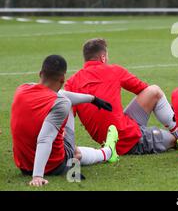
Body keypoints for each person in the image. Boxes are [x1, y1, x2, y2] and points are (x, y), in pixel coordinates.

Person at [10, 55, 119, 187]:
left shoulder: (22, 89)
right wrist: (37, 176)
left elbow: (59, 94)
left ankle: (102, 152)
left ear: (40, 73)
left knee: (62, 101)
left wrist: (93, 99)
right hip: (52, 166)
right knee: (66, 108)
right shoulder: (61, 103)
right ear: (62, 79)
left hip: (24, 166)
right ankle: (107, 152)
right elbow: (44, 139)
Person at [65, 38, 178, 156]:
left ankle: (177, 132)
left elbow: (66, 117)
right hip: (126, 140)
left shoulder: (71, 82)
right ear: (103, 57)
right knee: (172, 139)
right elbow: (141, 87)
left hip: (109, 136)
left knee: (153, 91)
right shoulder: (114, 70)